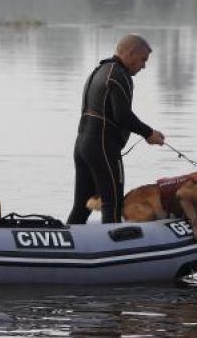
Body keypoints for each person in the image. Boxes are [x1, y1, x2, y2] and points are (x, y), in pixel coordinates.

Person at [67, 34, 166, 224]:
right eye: (143, 59)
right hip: (102, 147)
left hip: (83, 145)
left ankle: (64, 244)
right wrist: (149, 133)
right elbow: (122, 116)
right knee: (112, 204)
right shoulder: (118, 75)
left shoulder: (101, 70)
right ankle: (113, 249)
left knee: (82, 205)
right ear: (130, 53)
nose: (144, 66)